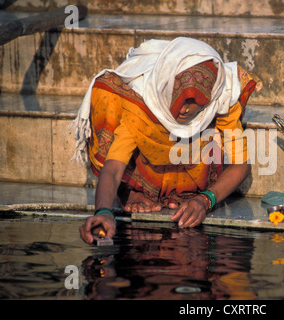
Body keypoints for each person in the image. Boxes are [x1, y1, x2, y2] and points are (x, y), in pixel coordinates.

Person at [72, 37, 262, 244]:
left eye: (194, 101)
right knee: (107, 94)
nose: (185, 109)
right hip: (146, 167)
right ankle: (128, 191)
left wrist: (205, 199)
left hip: (196, 170)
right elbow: (114, 168)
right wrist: (104, 212)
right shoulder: (142, 105)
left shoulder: (222, 98)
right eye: (180, 98)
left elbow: (240, 165)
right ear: (166, 88)